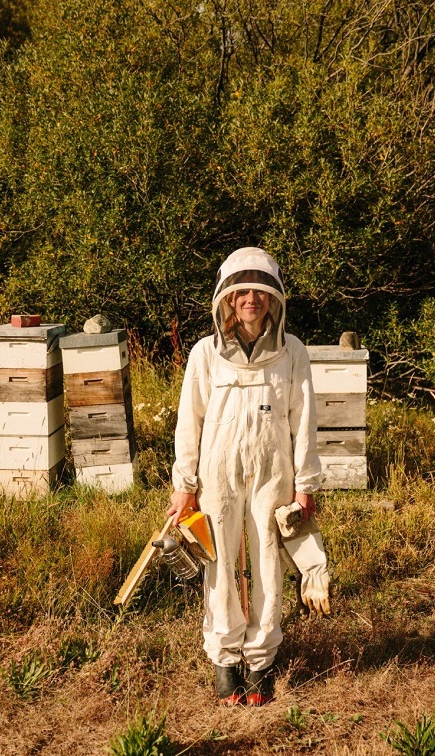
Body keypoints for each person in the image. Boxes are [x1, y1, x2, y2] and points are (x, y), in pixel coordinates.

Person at [168, 246, 322, 707]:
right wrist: (184, 484)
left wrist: (306, 484)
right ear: (227, 299)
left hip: (273, 473)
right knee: (219, 565)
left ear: (272, 299)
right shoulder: (204, 354)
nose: (250, 298)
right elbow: (188, 421)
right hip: (218, 474)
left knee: (268, 563)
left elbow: (305, 418)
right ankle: (224, 661)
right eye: (241, 291)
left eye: (259, 290)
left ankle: (259, 663)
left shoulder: (292, 352)